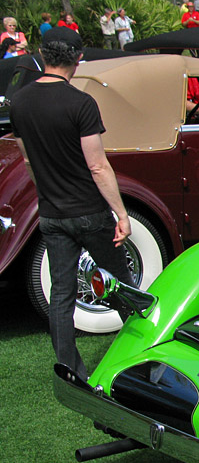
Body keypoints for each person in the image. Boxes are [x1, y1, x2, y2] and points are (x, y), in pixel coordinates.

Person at [8, 27, 133, 380]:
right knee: (121, 285)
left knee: (61, 295)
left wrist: (45, 191)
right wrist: (121, 213)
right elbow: (97, 165)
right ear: (78, 60)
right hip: (89, 211)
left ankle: (69, 371)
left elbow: (28, 159)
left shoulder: (20, 102)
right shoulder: (81, 103)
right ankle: (144, 361)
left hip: (51, 213)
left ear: (42, 55)